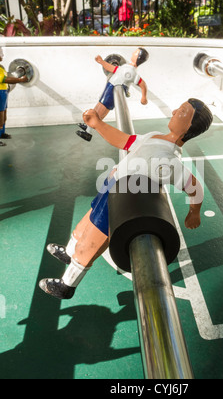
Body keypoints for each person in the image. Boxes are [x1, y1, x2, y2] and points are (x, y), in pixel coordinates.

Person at [39, 98, 213, 300]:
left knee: (91, 243)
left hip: (121, 202)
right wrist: (98, 124)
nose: (175, 110)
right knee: (83, 226)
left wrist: (194, 212)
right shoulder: (154, 137)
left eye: (182, 111)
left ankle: (67, 285)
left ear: (189, 127)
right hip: (110, 188)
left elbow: (195, 187)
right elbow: (124, 140)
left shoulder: (170, 162)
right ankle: (69, 253)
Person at [77, 47, 149, 141]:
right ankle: (88, 126)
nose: (133, 53)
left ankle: (89, 132)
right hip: (110, 87)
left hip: (112, 91)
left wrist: (144, 97)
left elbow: (142, 83)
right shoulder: (127, 67)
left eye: (136, 53)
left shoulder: (130, 72)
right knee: (98, 108)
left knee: (100, 112)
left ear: (138, 57)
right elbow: (115, 69)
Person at [0, 47, 28, 147]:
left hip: (4, 91)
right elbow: (5, 79)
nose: (2, 56)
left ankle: (1, 133)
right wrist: (20, 80)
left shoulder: (1, 67)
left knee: (4, 114)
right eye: (1, 54)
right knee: (0, 116)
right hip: (0, 92)